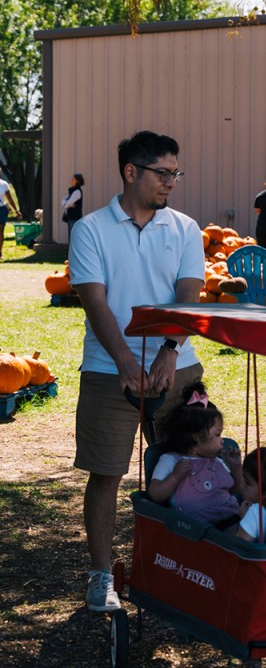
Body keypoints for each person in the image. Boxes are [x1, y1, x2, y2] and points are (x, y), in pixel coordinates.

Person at [69, 130, 205, 613]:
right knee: (106, 472)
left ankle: (179, 568)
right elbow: (95, 302)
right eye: (163, 173)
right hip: (110, 370)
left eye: (176, 173)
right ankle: (101, 575)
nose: (172, 182)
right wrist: (126, 361)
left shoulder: (186, 228)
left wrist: (170, 350)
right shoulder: (90, 229)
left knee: (186, 468)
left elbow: (189, 295)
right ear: (132, 172)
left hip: (179, 368)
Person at [147, 383, 244, 527]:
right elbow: (155, 494)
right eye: (217, 434)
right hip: (192, 528)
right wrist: (175, 477)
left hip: (229, 518)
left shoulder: (217, 461)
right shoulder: (171, 460)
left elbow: (237, 489)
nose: (222, 440)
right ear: (196, 437)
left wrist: (236, 467)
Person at [0, 173, 20, 258]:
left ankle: (0, 252)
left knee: (1, 230)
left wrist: (16, 210)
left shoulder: (4, 184)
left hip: (2, 209)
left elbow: (9, 198)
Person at [61, 173, 85, 243]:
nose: (71, 181)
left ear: (77, 181)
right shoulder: (72, 191)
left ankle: (73, 253)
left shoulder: (77, 191)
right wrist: (68, 204)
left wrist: (67, 203)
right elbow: (63, 202)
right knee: (71, 236)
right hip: (71, 217)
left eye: (73, 179)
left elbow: (67, 203)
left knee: (73, 237)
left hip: (74, 217)